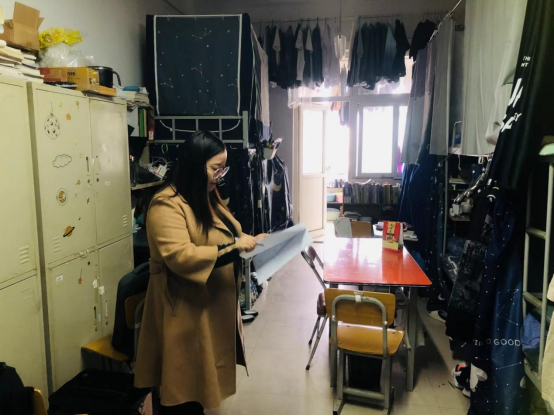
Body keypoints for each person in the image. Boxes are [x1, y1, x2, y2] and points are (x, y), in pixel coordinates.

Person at [134, 131, 266, 415]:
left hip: (207, 306)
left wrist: (250, 241)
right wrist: (234, 248)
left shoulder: (205, 197)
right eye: (216, 168)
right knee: (182, 389)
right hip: (183, 311)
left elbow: (228, 234)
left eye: (223, 169)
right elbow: (180, 256)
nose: (220, 176)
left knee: (198, 384)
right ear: (195, 164)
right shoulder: (166, 204)